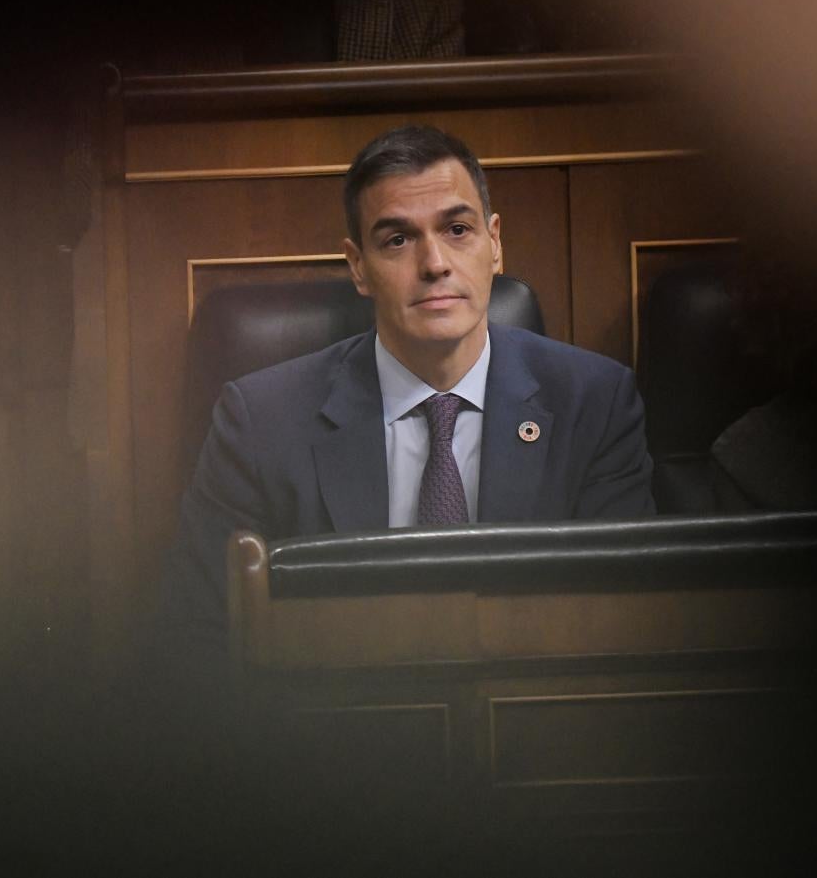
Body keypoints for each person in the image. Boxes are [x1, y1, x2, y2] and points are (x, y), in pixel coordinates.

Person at [161, 125, 654, 652]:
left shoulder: (595, 402)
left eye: (458, 230)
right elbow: (203, 635)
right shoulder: (259, 421)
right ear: (359, 268)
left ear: (495, 244)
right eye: (398, 239)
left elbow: (626, 622)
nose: (435, 263)